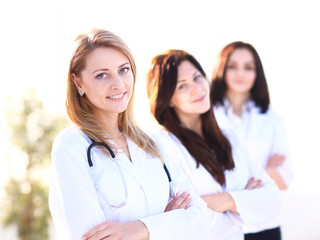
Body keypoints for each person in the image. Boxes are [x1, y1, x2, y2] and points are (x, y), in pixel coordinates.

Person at [49, 29, 211, 240]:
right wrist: (167, 224)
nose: (118, 84)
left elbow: (200, 221)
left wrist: (139, 229)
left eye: (123, 70)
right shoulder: (71, 146)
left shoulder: (153, 142)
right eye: (102, 75)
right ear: (78, 83)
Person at [145, 49, 282, 240]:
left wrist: (225, 201)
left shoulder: (229, 137)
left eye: (197, 77)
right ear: (167, 99)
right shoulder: (164, 147)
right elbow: (185, 222)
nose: (197, 89)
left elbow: (274, 203)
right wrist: (244, 203)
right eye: (182, 86)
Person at [211, 41, 293, 240]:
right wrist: (263, 174)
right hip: (221, 228)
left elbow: (284, 178)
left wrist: (231, 185)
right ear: (221, 68)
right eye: (232, 66)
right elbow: (204, 180)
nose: (240, 73)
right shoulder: (207, 117)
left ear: (258, 73)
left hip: (266, 226)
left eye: (248, 67)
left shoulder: (272, 120)